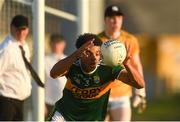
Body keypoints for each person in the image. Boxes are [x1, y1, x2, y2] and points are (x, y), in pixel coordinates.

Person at [48, 33, 145, 121]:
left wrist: (127, 64)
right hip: (65, 115)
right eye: (88, 53)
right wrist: (75, 55)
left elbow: (140, 84)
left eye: (97, 54)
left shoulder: (108, 67)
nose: (94, 58)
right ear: (80, 53)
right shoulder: (72, 64)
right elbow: (53, 74)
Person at [98, 5, 147, 121]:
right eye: (111, 17)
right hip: (101, 95)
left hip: (122, 95)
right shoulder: (97, 40)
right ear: (105, 20)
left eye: (119, 17)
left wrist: (140, 91)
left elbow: (136, 64)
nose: (115, 21)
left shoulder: (130, 40)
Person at [0, 15, 31, 120]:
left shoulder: (23, 45)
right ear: (11, 28)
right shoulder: (7, 49)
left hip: (20, 100)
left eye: (24, 29)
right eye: (18, 29)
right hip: (7, 101)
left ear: (28, 29)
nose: (21, 33)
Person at [45, 34, 67, 119]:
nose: (56, 46)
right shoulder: (44, 60)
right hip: (50, 102)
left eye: (59, 43)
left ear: (64, 44)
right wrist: (42, 103)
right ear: (50, 44)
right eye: (54, 43)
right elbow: (42, 83)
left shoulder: (68, 59)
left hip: (66, 102)